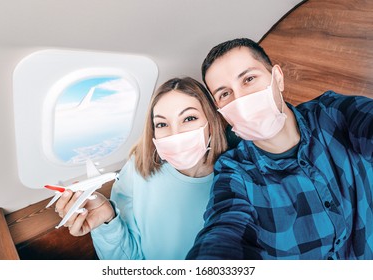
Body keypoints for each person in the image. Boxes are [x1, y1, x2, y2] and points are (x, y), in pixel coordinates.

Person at [186, 38, 373, 260]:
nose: (241, 99)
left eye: (249, 79)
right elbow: (224, 230)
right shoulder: (235, 173)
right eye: (225, 94)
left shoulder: (332, 113)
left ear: (278, 78)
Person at [54, 77, 228, 259]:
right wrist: (108, 221)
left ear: (212, 122)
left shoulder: (236, 179)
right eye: (162, 124)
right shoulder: (137, 169)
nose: (175, 133)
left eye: (189, 118)